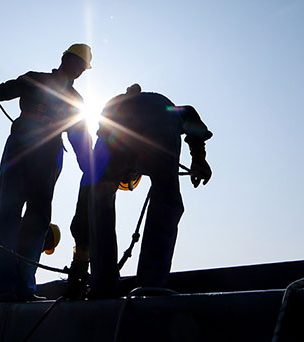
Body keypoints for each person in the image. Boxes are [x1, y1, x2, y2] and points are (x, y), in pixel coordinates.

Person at [0, 44, 92, 301]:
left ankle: (24, 288)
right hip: (23, 148)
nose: (78, 70)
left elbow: (80, 140)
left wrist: (95, 169)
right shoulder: (36, 79)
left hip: (47, 154)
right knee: (9, 218)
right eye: (76, 63)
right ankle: (4, 289)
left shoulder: (75, 100)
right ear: (64, 59)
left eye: (81, 67)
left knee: (38, 220)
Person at [67, 84, 212, 299]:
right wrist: (198, 157)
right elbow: (189, 112)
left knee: (100, 202)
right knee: (166, 197)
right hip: (158, 116)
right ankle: (151, 283)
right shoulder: (158, 109)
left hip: (119, 125)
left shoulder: (104, 152)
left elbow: (88, 204)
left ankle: (103, 285)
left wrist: (81, 260)